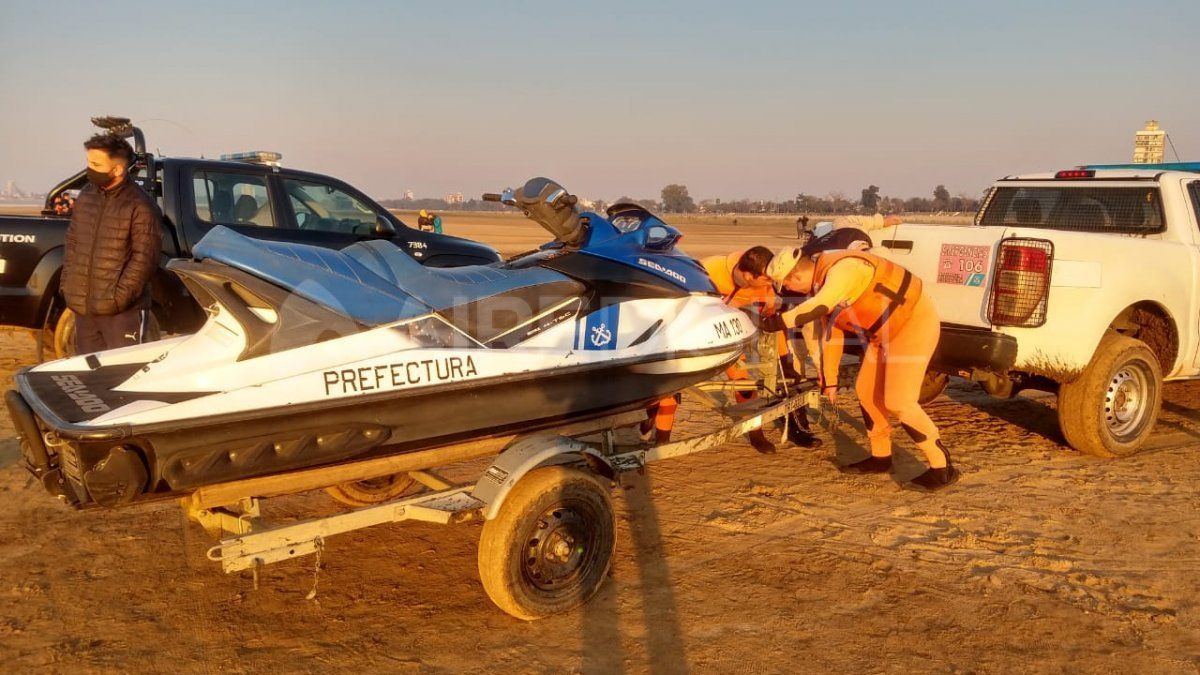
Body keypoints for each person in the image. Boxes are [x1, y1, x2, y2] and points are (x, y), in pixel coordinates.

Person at [760, 247, 958, 491]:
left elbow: (819, 306)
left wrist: (780, 322)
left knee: (899, 402)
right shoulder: (822, 285)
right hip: (881, 335)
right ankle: (881, 457)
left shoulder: (845, 270)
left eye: (788, 286)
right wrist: (829, 380)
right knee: (866, 392)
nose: (790, 291)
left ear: (794, 278)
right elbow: (832, 335)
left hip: (912, 325)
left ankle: (942, 468)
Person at [643, 246, 821, 453]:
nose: (770, 283)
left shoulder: (766, 287)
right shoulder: (707, 271)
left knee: (744, 384)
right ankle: (661, 439)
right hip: (687, 337)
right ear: (747, 275)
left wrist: (785, 360)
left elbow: (774, 324)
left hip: (726, 340)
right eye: (765, 279)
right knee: (668, 388)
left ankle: (756, 434)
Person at [61, 133, 162, 353]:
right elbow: (73, 242)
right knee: (90, 375)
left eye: (96, 164)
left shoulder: (141, 206)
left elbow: (144, 260)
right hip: (84, 309)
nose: (90, 169)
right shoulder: (86, 196)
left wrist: (118, 298)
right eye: (88, 162)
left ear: (117, 169)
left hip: (122, 314)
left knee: (123, 375)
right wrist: (69, 285)